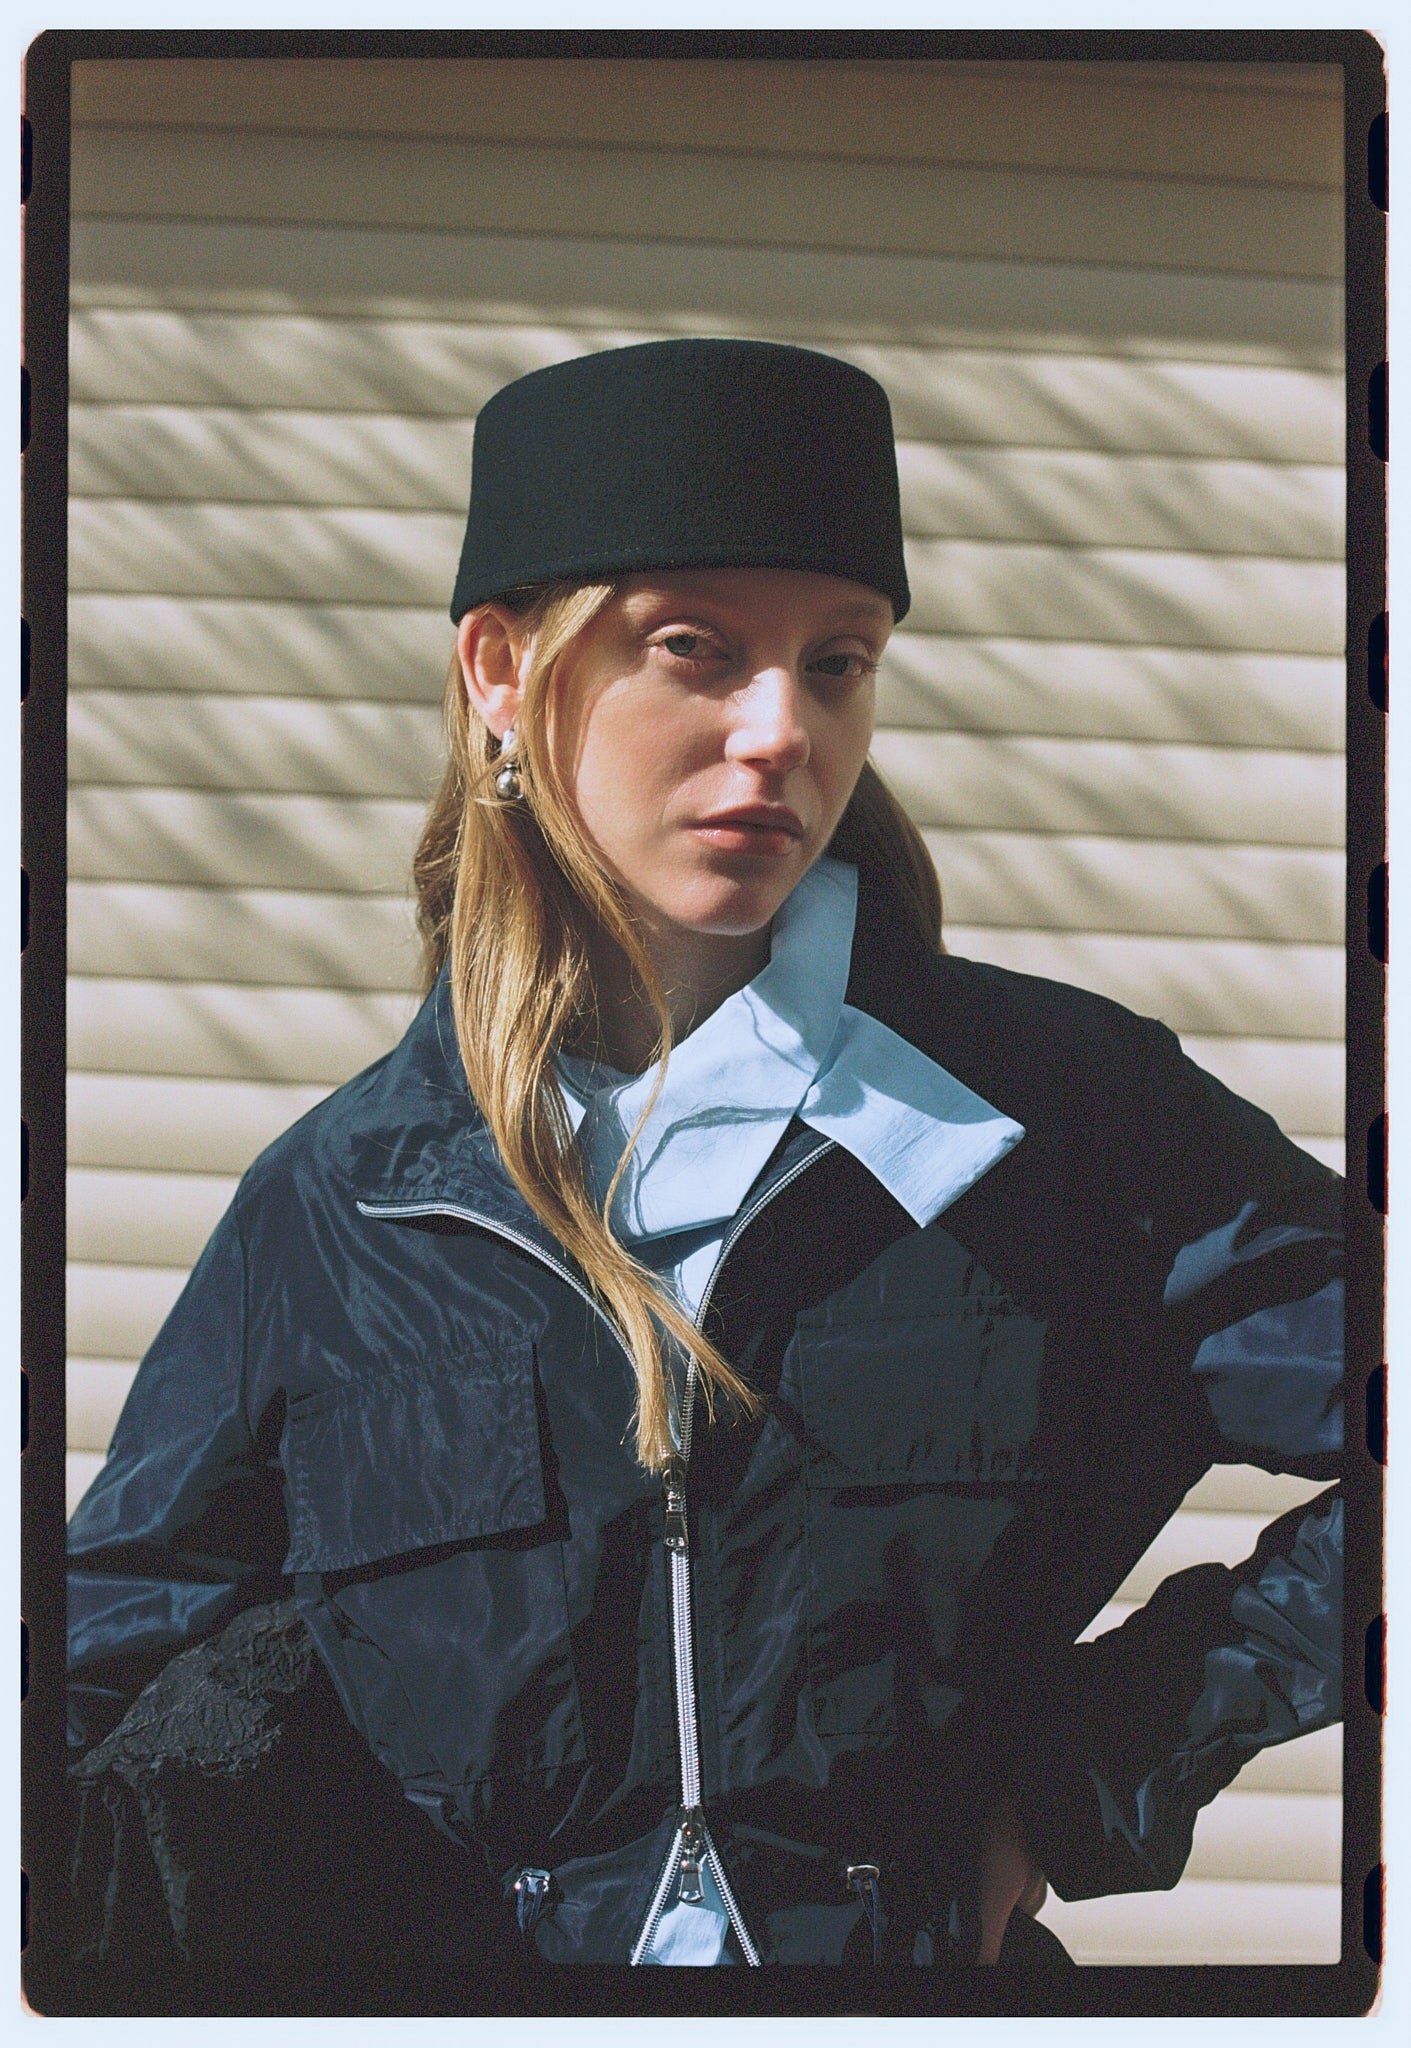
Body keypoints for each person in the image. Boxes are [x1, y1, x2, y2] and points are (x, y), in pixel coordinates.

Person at [65, 341, 1343, 1992]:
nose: (780, 730)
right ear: (502, 670)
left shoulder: (1065, 1120)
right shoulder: (340, 1210)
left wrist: (1103, 1757)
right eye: (696, 649)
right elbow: (86, 1681)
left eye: (837, 663)